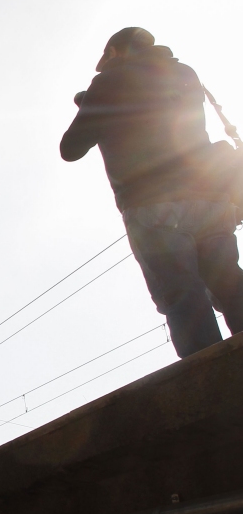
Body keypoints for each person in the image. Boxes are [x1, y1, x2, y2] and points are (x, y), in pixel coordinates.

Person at [61, 27, 243, 358]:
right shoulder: (185, 72)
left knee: (183, 295)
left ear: (115, 53)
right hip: (209, 198)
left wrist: (92, 105)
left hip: (153, 204)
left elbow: (70, 148)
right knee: (231, 284)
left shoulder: (108, 83)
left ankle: (214, 374)